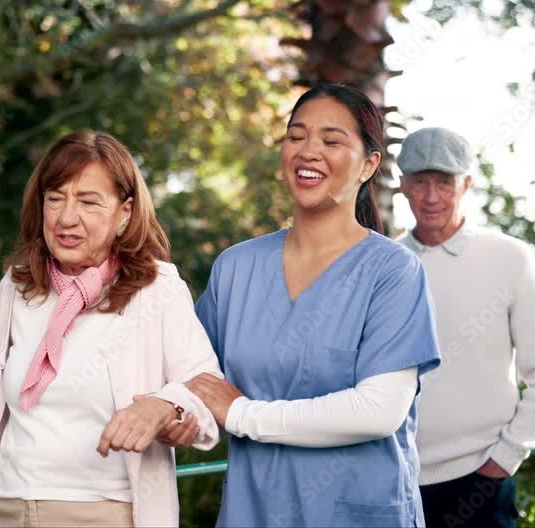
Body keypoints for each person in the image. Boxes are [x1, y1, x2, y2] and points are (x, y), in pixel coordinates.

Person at [0, 130, 222, 528]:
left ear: (124, 212)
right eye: (55, 199)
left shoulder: (156, 289)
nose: (67, 218)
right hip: (7, 510)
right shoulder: (17, 288)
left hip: (104, 514)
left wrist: (167, 406)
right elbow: (1, 408)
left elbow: (206, 391)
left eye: (88, 201)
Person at [183, 84, 442, 527]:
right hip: (253, 513)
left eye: (331, 140)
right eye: (297, 136)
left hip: (360, 513)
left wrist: (243, 413)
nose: (309, 151)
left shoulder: (393, 271)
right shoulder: (236, 267)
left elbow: (378, 411)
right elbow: (191, 376)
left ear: (369, 164)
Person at [394, 127, 535, 527]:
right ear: (402, 185)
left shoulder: (510, 258)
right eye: (420, 182)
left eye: (444, 182)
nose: (431, 196)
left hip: (480, 482)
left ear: (467, 184)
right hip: (393, 479)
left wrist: (502, 461)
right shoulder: (386, 263)